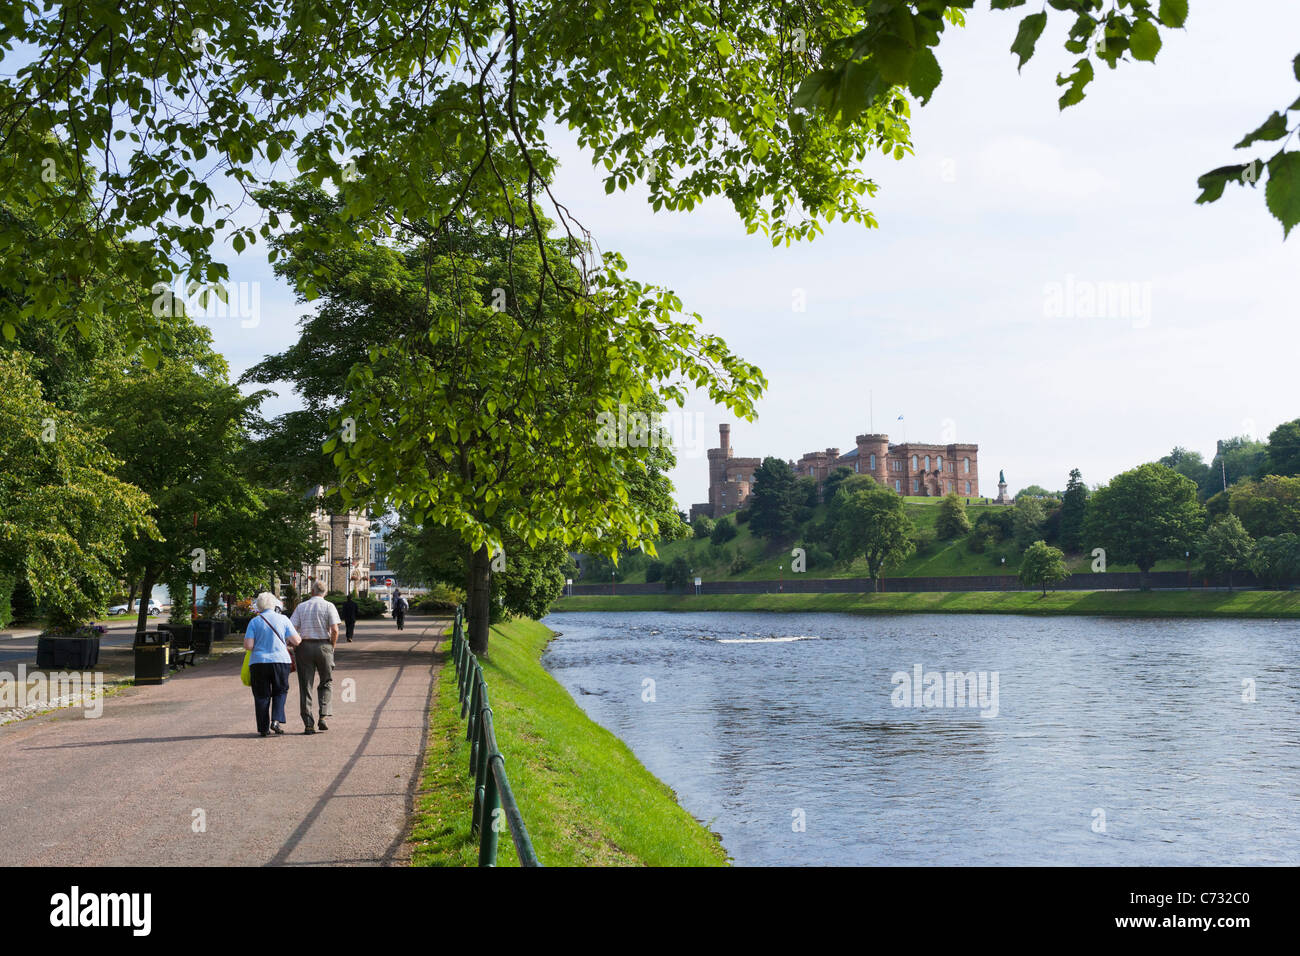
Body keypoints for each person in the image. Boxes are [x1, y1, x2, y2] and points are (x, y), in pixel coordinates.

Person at [244, 592, 301, 737]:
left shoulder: (254, 622)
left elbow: (248, 645)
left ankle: (263, 728)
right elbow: (296, 641)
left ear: (259, 606)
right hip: (280, 661)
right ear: (274, 604)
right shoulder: (283, 619)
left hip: (259, 662)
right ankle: (276, 720)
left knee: (261, 695)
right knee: (280, 691)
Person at [289, 579, 341, 734]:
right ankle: (323, 716)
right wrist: (332, 647)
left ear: (312, 591)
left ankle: (308, 723)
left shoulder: (301, 607)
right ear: (325, 593)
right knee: (326, 681)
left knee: (306, 685)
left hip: (304, 646)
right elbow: (335, 630)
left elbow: (292, 628)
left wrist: (293, 643)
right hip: (324, 645)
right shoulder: (329, 606)